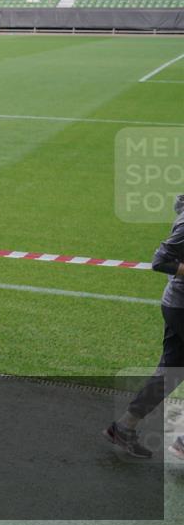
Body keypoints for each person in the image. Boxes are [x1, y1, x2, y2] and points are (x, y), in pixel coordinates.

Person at [105, 193, 184, 460]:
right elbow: (160, 261)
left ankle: (124, 427)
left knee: (170, 373)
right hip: (181, 307)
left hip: (177, 305)